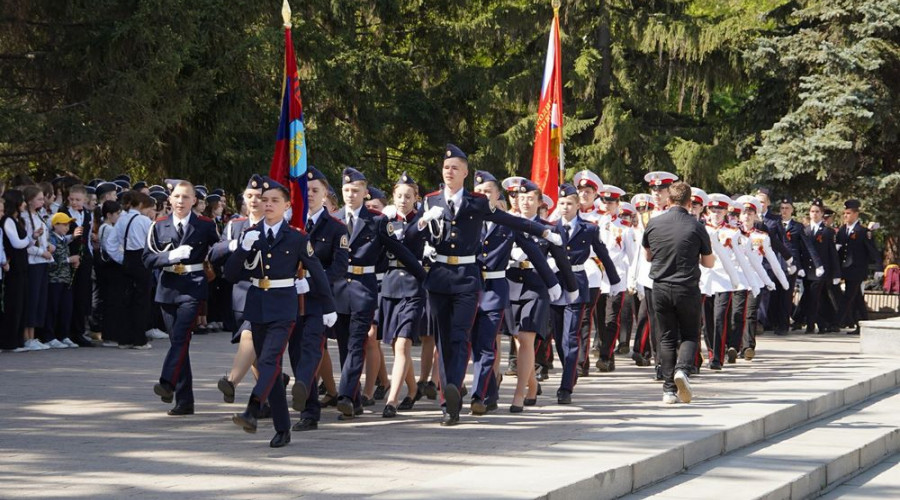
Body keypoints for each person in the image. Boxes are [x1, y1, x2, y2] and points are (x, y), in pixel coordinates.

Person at [408, 144, 568, 425]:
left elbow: (508, 219)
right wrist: (422, 222)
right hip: (439, 278)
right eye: (446, 168)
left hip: (468, 279)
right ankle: (450, 395)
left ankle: (452, 395)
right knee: (444, 342)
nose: (449, 172)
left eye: (455, 168)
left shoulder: (477, 202)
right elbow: (409, 238)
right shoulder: (431, 201)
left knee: (459, 337)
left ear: (465, 173)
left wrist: (544, 230)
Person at [225, 177, 334, 447]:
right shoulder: (250, 233)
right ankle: (282, 428)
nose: (268, 204)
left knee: (269, 362)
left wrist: (329, 306)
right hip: (257, 304)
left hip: (284, 306)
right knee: (269, 369)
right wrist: (243, 249)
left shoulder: (296, 237)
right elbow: (230, 273)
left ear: (287, 205)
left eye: (275, 200)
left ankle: (251, 409)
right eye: (265, 200)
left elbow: (318, 272)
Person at [332, 167, 426, 420]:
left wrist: (424, 276)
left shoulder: (376, 220)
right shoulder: (334, 219)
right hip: (339, 289)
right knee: (344, 346)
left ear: (365, 192)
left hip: (364, 288)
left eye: (356, 190)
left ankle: (345, 397)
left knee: (355, 346)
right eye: (347, 190)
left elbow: (399, 249)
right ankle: (352, 399)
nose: (351, 195)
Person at [143, 179, 220, 416]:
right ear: (169, 199)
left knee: (181, 336)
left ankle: (167, 381)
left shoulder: (206, 225)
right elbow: (147, 259)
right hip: (167, 287)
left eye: (186, 197)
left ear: (194, 201)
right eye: (177, 197)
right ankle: (185, 401)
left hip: (193, 286)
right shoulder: (158, 225)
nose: (180, 201)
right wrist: (169, 257)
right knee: (179, 342)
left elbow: (218, 251)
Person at [641, 182, 714, 404]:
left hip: (660, 287)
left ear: (668, 200)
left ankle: (668, 390)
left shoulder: (653, 223)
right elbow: (708, 262)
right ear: (690, 202)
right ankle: (682, 370)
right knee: (691, 334)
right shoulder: (696, 226)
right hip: (686, 287)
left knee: (666, 337)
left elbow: (648, 256)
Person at [288, 167, 347, 431]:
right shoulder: (290, 225)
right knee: (295, 350)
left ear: (325, 195)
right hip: (290, 299)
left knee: (312, 347)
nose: (309, 194)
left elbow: (339, 268)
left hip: (319, 300)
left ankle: (306, 399)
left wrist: (311, 282)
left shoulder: (336, 228)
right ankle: (308, 405)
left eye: (315, 190)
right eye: (305, 190)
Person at [550, 183, 618, 404]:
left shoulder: (589, 229)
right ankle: (571, 370)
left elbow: (603, 254)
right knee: (559, 339)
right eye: (561, 204)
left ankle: (565, 387)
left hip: (577, 285)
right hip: (556, 285)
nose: (565, 207)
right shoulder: (550, 228)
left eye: (569, 203)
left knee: (571, 337)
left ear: (578, 205)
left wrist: (615, 281)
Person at [376, 172, 428, 418]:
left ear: (416, 198)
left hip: (413, 287)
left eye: (408, 196)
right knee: (397, 346)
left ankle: (392, 400)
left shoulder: (423, 221)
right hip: (390, 287)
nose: (403, 200)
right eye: (399, 196)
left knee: (402, 342)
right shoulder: (384, 221)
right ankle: (412, 388)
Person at [736, 195, 789, 359]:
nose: (747, 216)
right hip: (736, 279)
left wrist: (787, 266)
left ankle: (748, 348)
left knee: (751, 313)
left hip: (755, 280)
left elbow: (773, 250)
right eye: (744, 213)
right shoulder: (732, 233)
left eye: (750, 213)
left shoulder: (761, 234)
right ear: (739, 215)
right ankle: (734, 345)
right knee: (736, 314)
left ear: (755, 215)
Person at [835, 199, 881, 335]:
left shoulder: (863, 231)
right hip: (846, 269)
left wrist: (879, 267)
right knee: (857, 298)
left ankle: (836, 321)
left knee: (848, 296)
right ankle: (863, 324)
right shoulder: (843, 230)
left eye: (848, 213)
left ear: (856, 214)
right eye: (844, 213)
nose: (845, 216)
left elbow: (873, 250)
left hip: (857, 270)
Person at [118, 191, 156, 349]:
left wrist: (121, 258)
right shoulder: (143, 220)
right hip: (142, 259)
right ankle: (139, 339)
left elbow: (112, 243)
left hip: (127, 258)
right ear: (141, 205)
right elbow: (153, 241)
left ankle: (125, 338)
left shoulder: (122, 219)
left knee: (127, 299)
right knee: (142, 301)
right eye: (149, 208)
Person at [797, 199, 841, 333]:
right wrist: (799, 267)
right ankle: (822, 323)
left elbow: (832, 254)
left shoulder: (827, 231)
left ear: (822, 214)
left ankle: (814, 324)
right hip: (807, 270)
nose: (814, 214)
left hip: (821, 271)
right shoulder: (804, 230)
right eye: (812, 211)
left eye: (817, 212)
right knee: (811, 297)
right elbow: (800, 251)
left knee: (814, 297)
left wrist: (836, 273)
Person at [58, 184, 95, 347]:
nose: (74, 202)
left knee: (82, 295)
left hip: (84, 257)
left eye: (78, 200)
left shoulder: (87, 214)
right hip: (69, 256)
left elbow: (87, 238)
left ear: (85, 200)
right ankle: (66, 332)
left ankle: (79, 331)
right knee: (69, 294)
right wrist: (72, 237)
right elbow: (58, 237)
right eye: (72, 199)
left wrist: (89, 256)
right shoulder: (63, 213)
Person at [22, 185, 54, 350]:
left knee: (40, 299)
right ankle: (27, 337)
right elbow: (27, 245)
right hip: (33, 263)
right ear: (29, 201)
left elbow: (42, 238)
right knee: (32, 299)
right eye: (39, 199)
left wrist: (48, 245)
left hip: (42, 263)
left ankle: (34, 336)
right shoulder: (25, 218)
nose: (43, 201)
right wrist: (42, 252)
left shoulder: (39, 216)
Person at [45, 212, 81, 348]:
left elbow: (68, 239)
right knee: (52, 308)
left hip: (65, 279)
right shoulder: (52, 239)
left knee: (66, 308)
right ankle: (49, 336)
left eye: (68, 224)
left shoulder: (61, 239)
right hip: (54, 279)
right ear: (55, 225)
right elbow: (52, 262)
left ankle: (63, 335)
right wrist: (69, 260)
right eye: (64, 224)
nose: (67, 227)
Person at [1, 190, 31, 351]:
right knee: (14, 304)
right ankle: (10, 341)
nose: (25, 204)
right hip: (14, 269)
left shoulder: (17, 220)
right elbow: (16, 243)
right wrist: (30, 238)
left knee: (22, 304)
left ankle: (19, 340)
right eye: (22, 201)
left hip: (22, 267)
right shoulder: (7, 221)